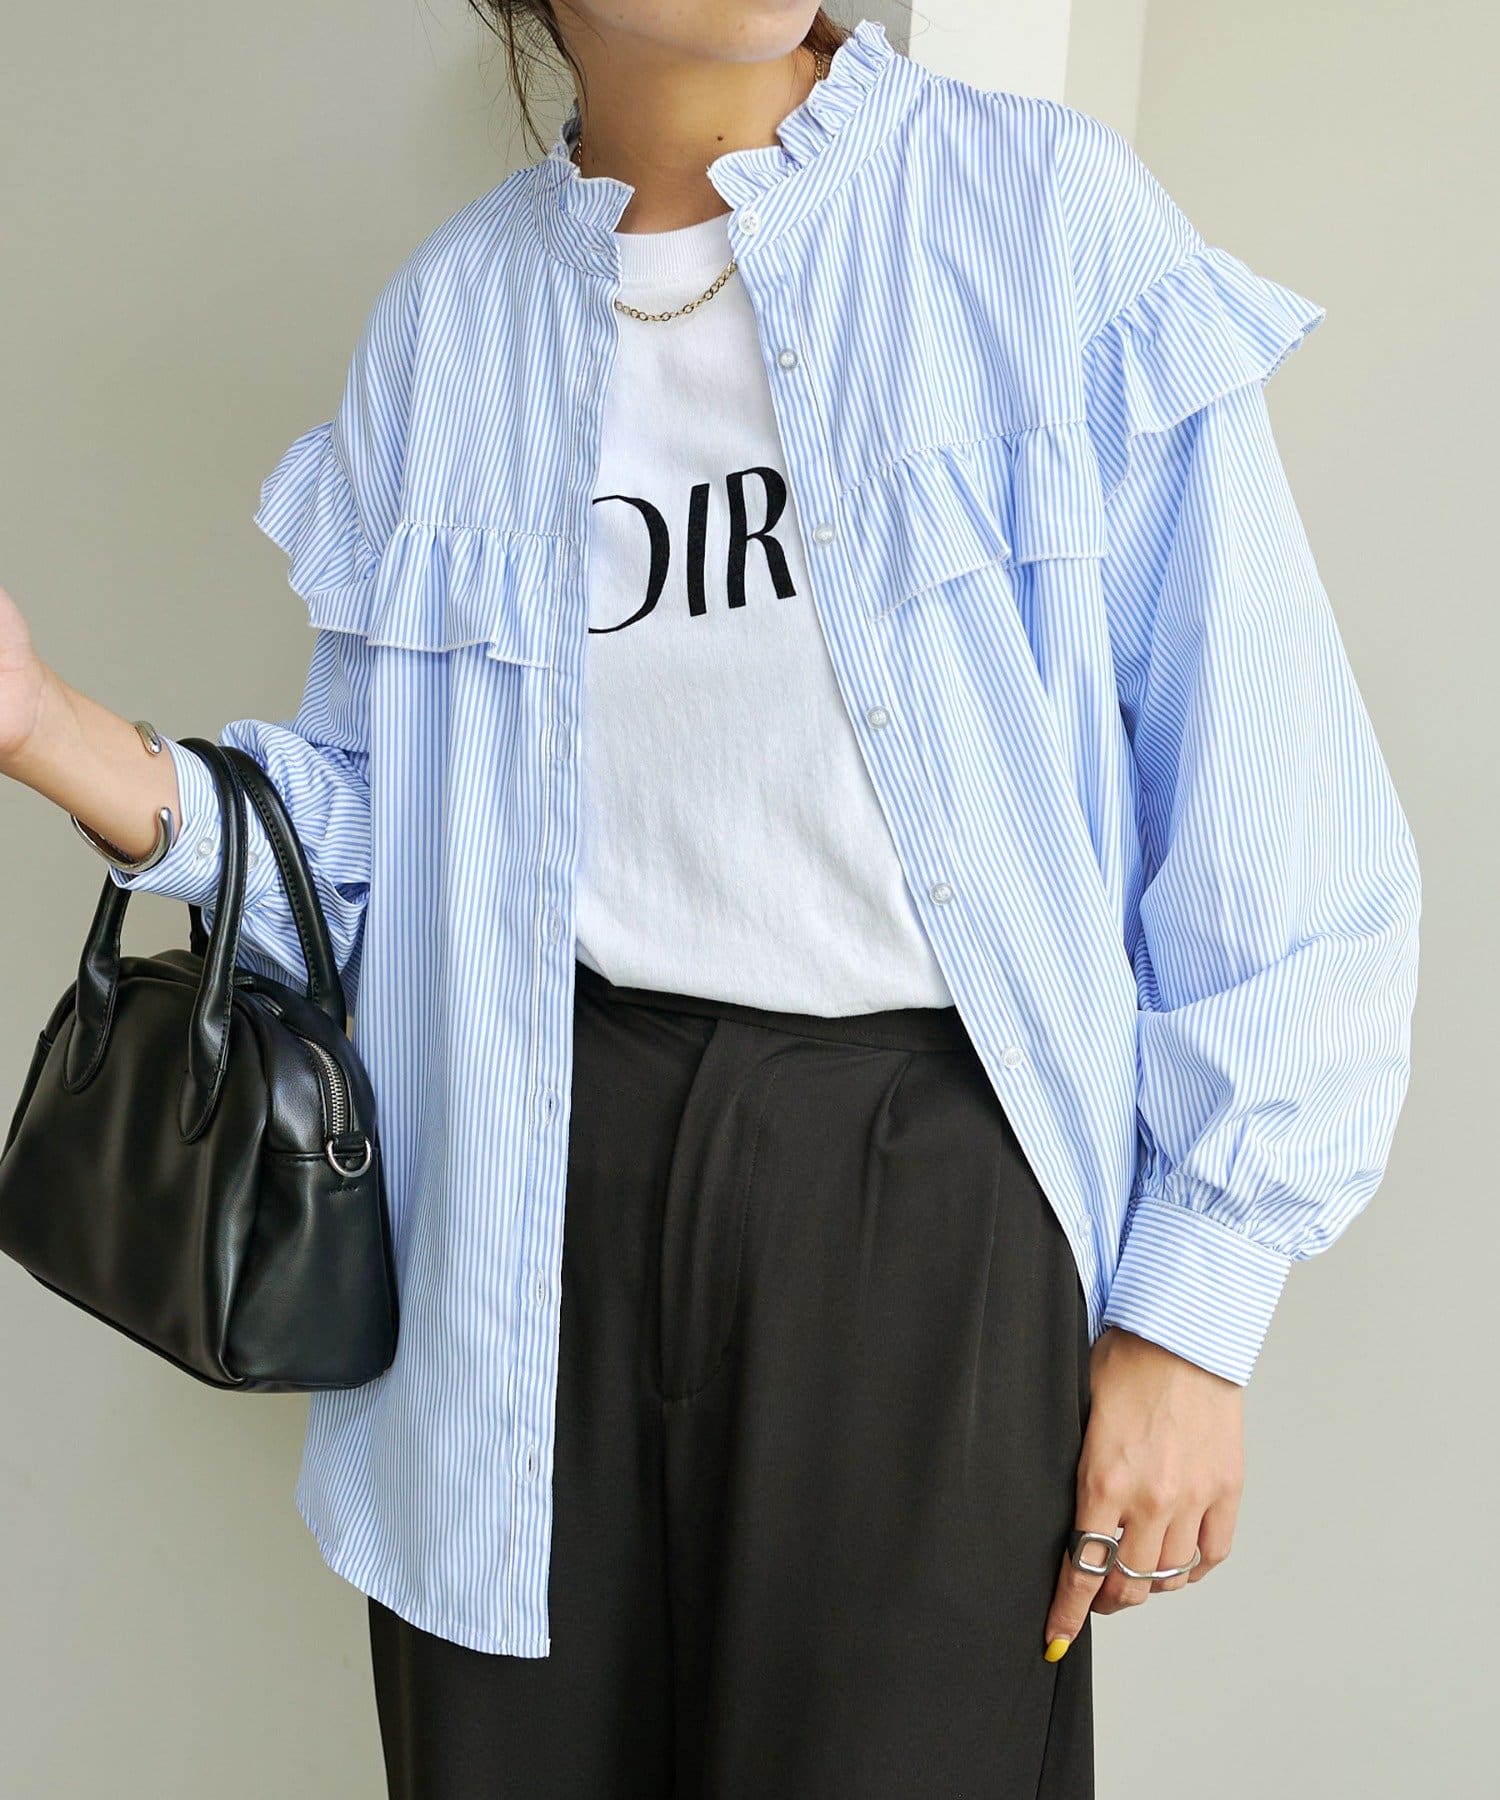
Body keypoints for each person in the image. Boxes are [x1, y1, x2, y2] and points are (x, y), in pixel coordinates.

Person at [0, 7, 1421, 1796]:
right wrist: (45, 730)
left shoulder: (1036, 218)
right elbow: (372, 866)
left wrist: (1195, 1313)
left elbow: (1266, 792)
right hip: (520, 1198)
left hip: (924, 1204)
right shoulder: (450, 331)